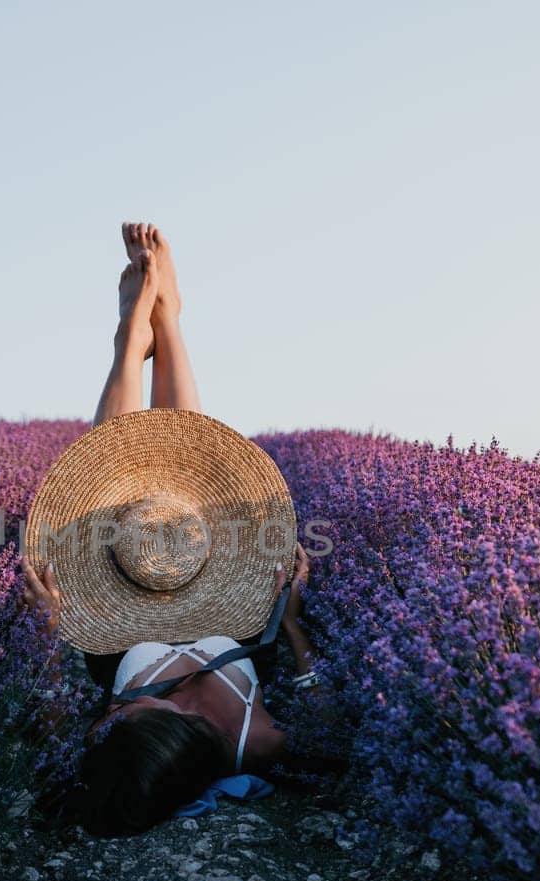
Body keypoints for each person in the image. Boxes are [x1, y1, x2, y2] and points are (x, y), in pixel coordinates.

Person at [20, 222, 346, 838]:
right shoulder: (256, 740)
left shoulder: (111, 739)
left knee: (126, 496)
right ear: (170, 722)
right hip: (217, 597)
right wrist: (295, 624)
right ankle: (166, 322)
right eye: (126, 720)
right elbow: (329, 732)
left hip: (120, 615)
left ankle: (131, 339)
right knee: (185, 493)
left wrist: (46, 633)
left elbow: (52, 722)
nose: (111, 720)